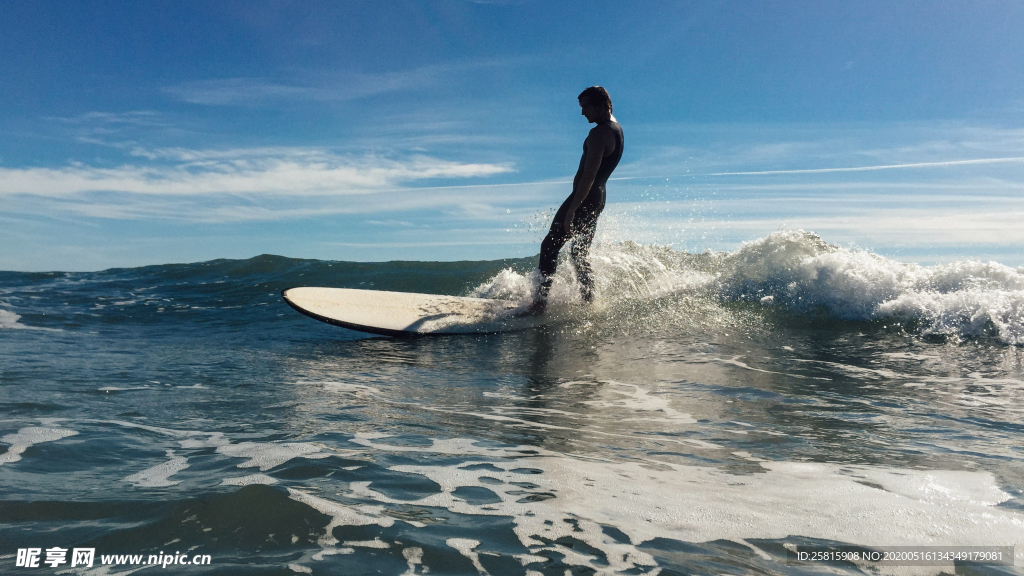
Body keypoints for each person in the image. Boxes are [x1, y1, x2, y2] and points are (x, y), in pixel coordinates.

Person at [528, 86, 623, 315]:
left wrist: (572, 209)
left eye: (585, 107)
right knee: (579, 254)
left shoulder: (599, 133)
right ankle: (589, 302)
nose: (582, 113)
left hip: (584, 198)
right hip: (598, 198)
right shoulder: (616, 129)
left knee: (549, 247)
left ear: (602, 105)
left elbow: (589, 175)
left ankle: (539, 306)